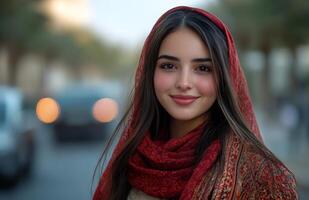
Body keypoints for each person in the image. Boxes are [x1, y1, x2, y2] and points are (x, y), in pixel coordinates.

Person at [93, 6, 298, 200]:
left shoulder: (262, 176)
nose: (183, 83)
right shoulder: (133, 159)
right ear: (150, 73)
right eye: (168, 66)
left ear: (225, 77)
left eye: (202, 69)